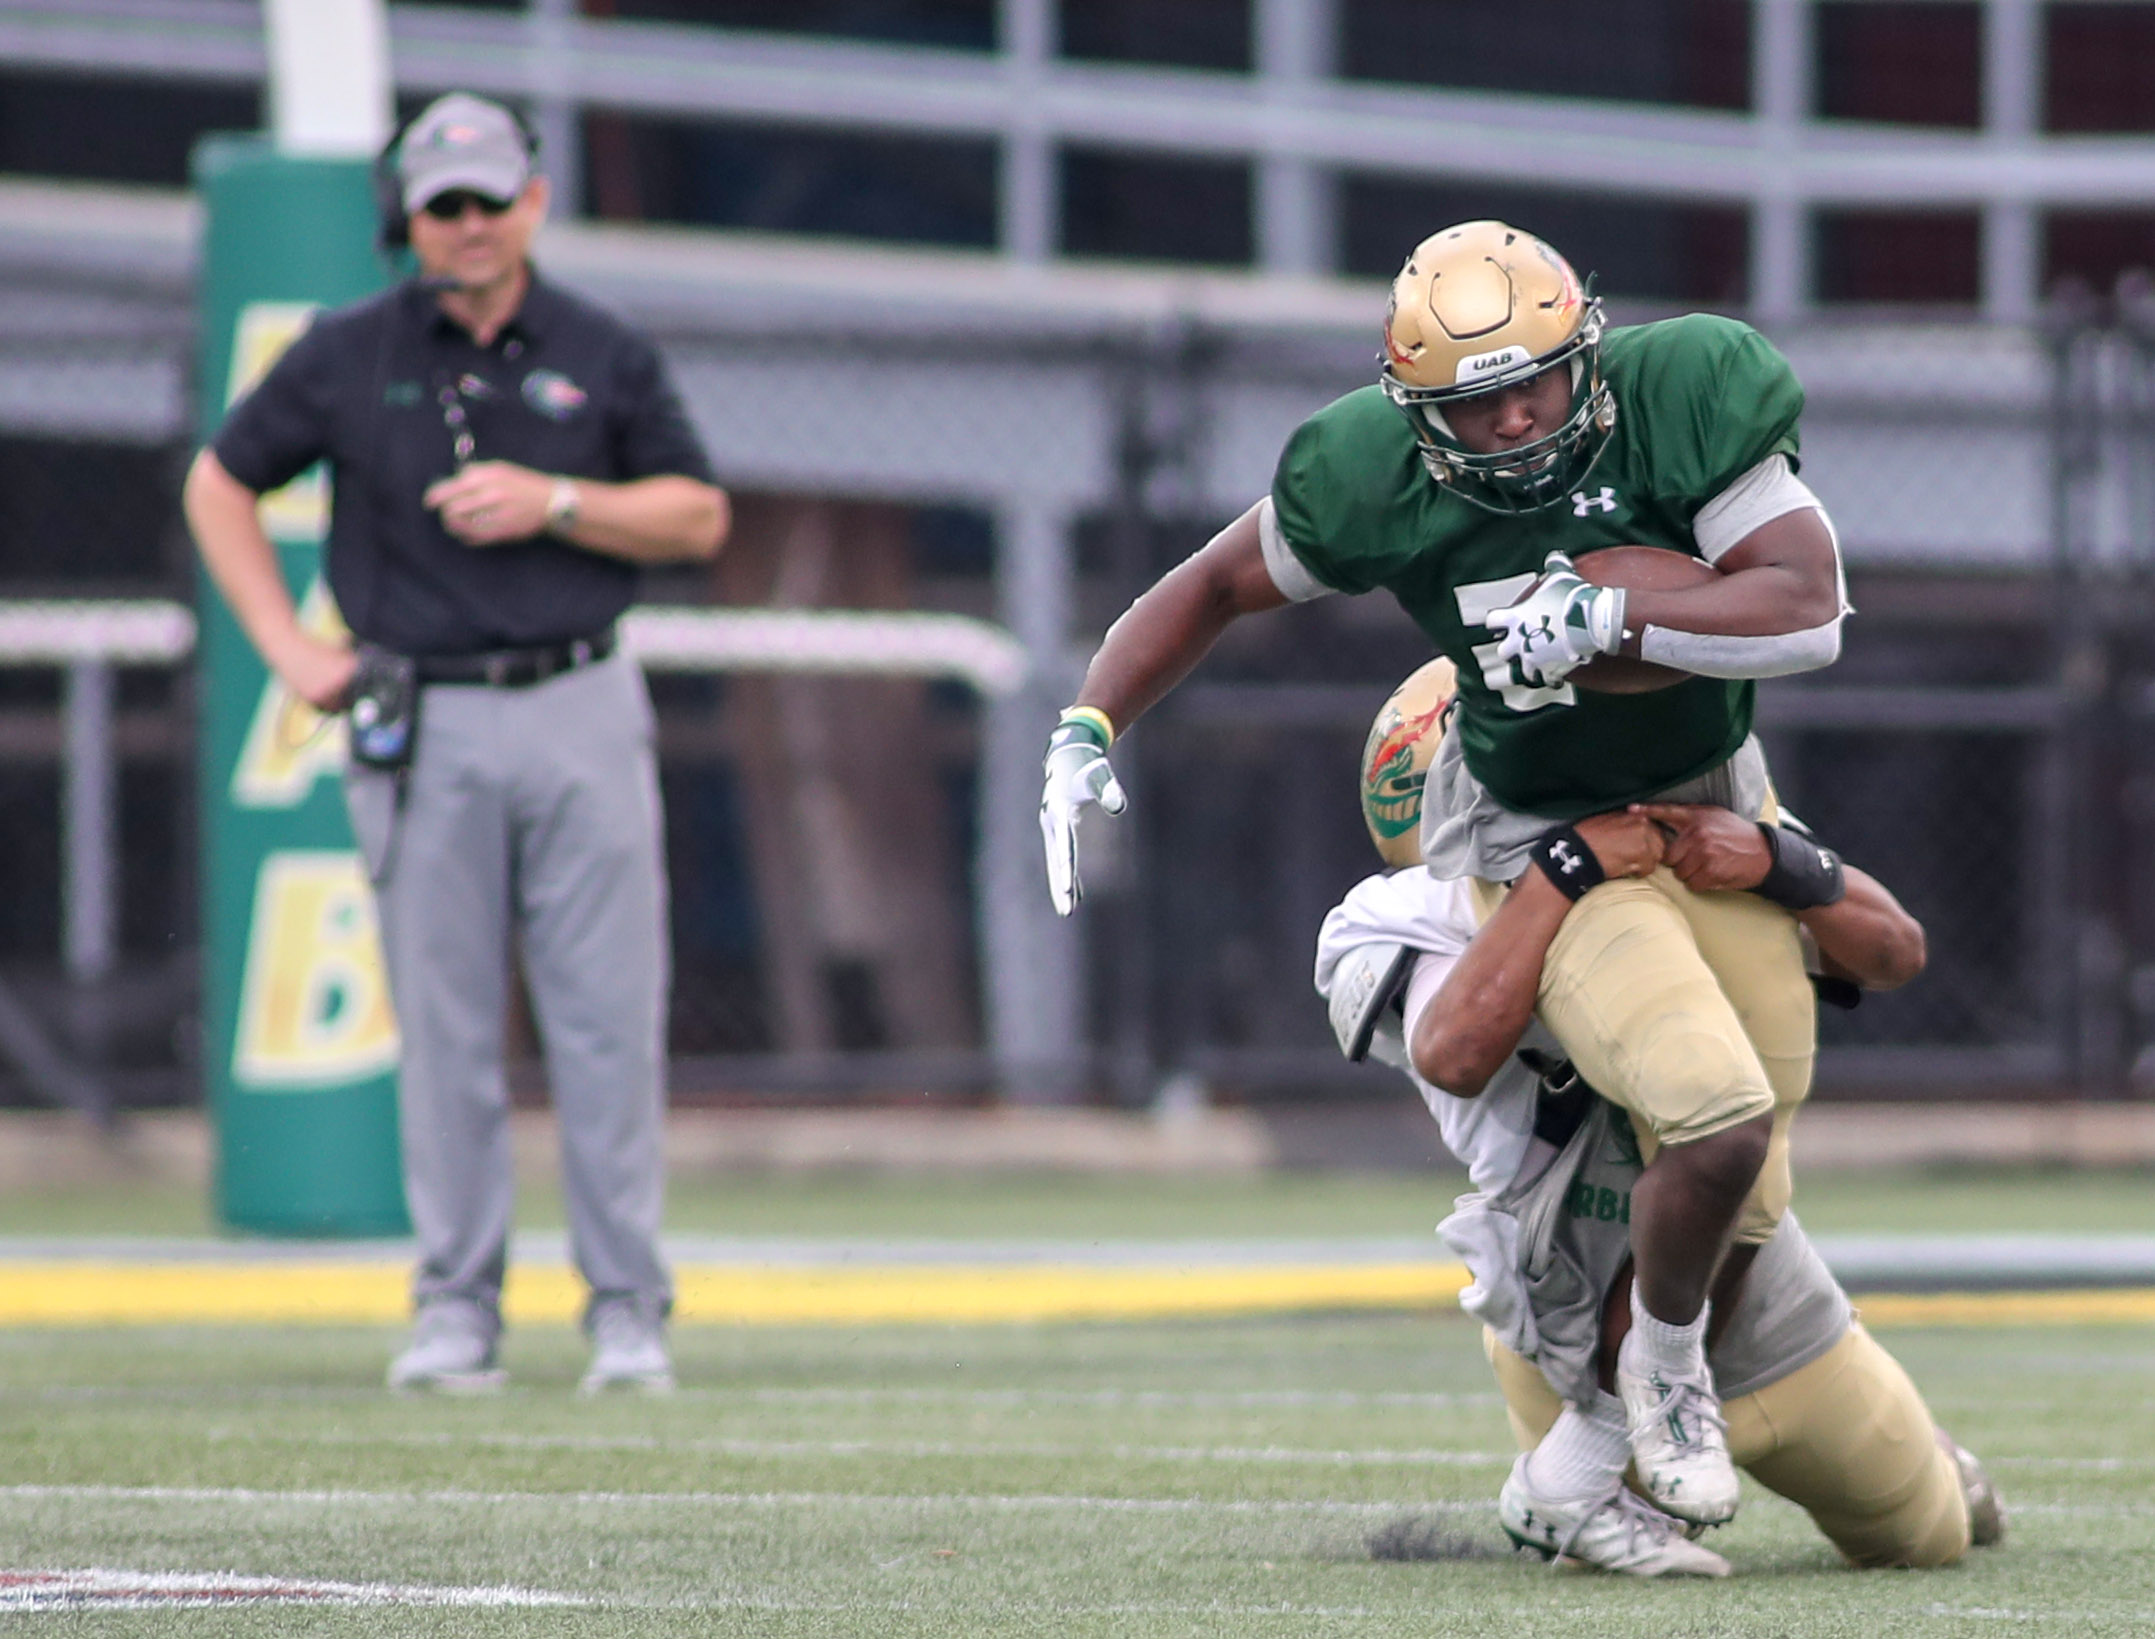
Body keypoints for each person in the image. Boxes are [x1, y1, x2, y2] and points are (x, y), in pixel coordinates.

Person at [1043, 221, 1849, 1524]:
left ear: (1586, 346)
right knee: (1711, 1114)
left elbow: (1807, 607)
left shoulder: (1683, 389)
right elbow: (1212, 584)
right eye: (1476, 402)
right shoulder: (1368, 469)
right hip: (1537, 827)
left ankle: (1619, 1421)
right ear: (1412, 407)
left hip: (1712, 793)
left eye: (1535, 380)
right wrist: (1089, 720)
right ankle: (1655, 1376)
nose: (1516, 417)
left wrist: (1618, 614)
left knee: (1752, 1189)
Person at [183, 93, 730, 1394]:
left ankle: (626, 1308)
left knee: (607, 1023)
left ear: (533, 202)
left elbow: (698, 515)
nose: (470, 225)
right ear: (407, 218)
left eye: (490, 199)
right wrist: (288, 648)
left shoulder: (601, 347)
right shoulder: (347, 350)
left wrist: (559, 501)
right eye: (445, 205)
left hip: (577, 697)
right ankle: (455, 1306)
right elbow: (220, 481)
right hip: (422, 713)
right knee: (443, 1029)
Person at [1315, 662, 2002, 1577]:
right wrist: (1563, 871)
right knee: (1606, 1570)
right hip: (1569, 1299)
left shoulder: (1667, 832)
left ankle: (1938, 1465)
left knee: (1923, 1536)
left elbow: (1893, 950)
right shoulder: (1397, 913)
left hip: (1748, 1279)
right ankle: (1607, 1439)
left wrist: (1778, 862)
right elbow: (1455, 1048)